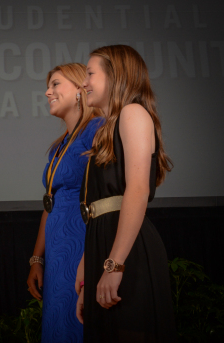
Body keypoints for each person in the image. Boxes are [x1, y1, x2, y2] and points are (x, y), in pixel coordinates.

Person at [75, 45, 177, 342]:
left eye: (90, 74)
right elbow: (96, 207)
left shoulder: (132, 113)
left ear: (115, 76)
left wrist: (114, 265)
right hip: (105, 244)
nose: (84, 82)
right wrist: (87, 273)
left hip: (126, 251)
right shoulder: (106, 129)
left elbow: (138, 189)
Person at [27, 63, 103, 343]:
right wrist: (37, 259)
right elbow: (51, 202)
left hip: (84, 244)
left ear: (80, 89)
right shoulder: (59, 146)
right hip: (57, 254)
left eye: (55, 84)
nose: (48, 92)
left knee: (80, 325)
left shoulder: (98, 130)